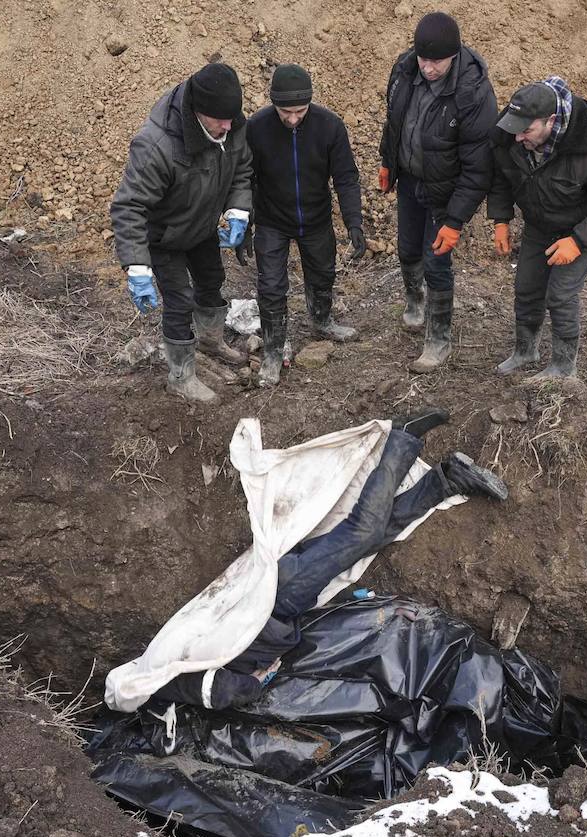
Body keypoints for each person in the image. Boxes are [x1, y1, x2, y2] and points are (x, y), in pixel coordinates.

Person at [152, 408, 509, 710]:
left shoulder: (162, 685)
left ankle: (403, 437)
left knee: (363, 532)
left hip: (277, 596)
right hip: (278, 596)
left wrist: (256, 683)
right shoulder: (168, 668)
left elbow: (226, 690)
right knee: (374, 536)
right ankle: (447, 480)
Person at [110, 63, 254, 405]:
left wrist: (238, 209)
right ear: (197, 111)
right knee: (179, 300)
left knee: (212, 281)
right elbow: (129, 207)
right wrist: (136, 267)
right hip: (163, 237)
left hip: (200, 226)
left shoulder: (230, 124)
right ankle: (181, 376)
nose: (227, 126)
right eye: (219, 120)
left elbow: (242, 169)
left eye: (231, 117)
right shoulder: (157, 145)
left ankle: (209, 340)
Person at [486, 78, 587, 380]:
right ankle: (526, 350)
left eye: (526, 131)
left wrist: (579, 241)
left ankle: (563, 367)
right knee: (527, 288)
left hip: (578, 229)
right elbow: (501, 176)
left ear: (550, 121)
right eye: (516, 130)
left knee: (561, 296)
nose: (518, 138)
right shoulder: (511, 132)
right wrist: (501, 219)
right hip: (539, 226)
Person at [377, 11, 498, 373]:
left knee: (436, 262)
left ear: (454, 55)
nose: (428, 68)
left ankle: (438, 339)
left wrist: (456, 221)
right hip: (410, 179)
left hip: (444, 192)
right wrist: (388, 161)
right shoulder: (404, 70)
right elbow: (394, 122)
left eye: (437, 62)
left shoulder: (473, 94)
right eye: (423, 59)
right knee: (407, 249)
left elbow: (479, 169)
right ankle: (414, 304)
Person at [245, 65, 366, 388]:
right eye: (286, 112)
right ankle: (272, 350)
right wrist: (244, 222)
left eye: (300, 111)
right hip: (272, 219)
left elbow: (345, 177)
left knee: (323, 272)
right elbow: (244, 179)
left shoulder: (329, 127)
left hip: (315, 218)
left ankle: (322, 320)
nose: (294, 118)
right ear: (274, 105)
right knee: (270, 286)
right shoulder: (256, 128)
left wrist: (354, 221)